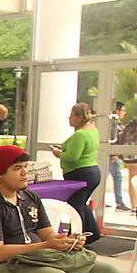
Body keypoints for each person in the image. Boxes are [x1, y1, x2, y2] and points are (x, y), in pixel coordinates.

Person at [51, 103, 101, 243]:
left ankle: (76, 237)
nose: (69, 119)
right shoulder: (92, 130)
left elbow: (72, 157)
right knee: (81, 203)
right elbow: (82, 149)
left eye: (71, 116)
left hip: (80, 173)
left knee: (76, 205)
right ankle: (92, 233)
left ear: (79, 117)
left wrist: (59, 153)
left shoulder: (80, 134)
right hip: (92, 172)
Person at [108, 102, 129, 211]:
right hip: (112, 155)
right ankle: (119, 202)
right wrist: (115, 153)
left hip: (111, 154)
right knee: (117, 177)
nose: (124, 113)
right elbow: (113, 138)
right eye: (123, 110)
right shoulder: (113, 122)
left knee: (108, 177)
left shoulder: (110, 122)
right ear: (117, 111)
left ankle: (98, 200)